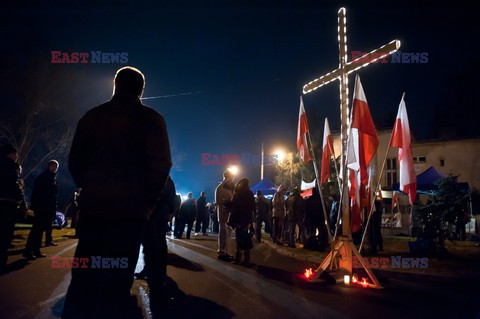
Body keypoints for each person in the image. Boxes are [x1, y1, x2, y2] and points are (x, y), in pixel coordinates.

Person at [62, 66, 172, 319]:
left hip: (95, 209)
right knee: (118, 280)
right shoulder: (152, 119)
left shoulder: (92, 117)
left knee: (83, 277)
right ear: (141, 89)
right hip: (130, 213)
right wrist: (148, 203)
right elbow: (161, 164)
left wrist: (89, 187)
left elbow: (75, 161)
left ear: (115, 85)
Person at [135, 176, 178, 316]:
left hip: (155, 211)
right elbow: (172, 198)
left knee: (152, 244)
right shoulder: (167, 178)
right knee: (157, 243)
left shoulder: (160, 176)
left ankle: (156, 277)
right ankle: (157, 274)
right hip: (161, 211)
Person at [24, 160, 59, 259]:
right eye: (52, 166)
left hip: (48, 209)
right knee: (36, 230)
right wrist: (36, 207)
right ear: (48, 166)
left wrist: (53, 209)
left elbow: (54, 197)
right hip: (41, 209)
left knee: (39, 231)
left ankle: (36, 250)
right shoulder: (43, 178)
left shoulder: (54, 179)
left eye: (55, 167)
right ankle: (28, 251)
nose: (53, 168)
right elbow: (36, 194)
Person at [0, 143, 24, 269]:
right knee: (5, 231)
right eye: (15, 153)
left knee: (5, 231)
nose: (17, 155)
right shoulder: (8, 167)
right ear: (8, 154)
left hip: (9, 201)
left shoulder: (11, 166)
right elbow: (13, 184)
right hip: (6, 201)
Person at [225, 178, 255, 266]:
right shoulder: (250, 194)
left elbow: (234, 205)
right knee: (245, 238)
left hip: (239, 219)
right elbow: (253, 207)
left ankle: (239, 259)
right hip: (246, 219)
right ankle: (247, 259)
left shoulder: (238, 194)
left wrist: (226, 203)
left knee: (239, 239)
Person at [215, 170, 234, 261]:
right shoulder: (220, 188)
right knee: (223, 233)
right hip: (223, 213)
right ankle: (221, 252)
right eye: (230, 178)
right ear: (225, 178)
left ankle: (226, 251)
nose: (231, 180)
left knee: (229, 233)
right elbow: (217, 201)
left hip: (229, 214)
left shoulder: (231, 188)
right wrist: (226, 202)